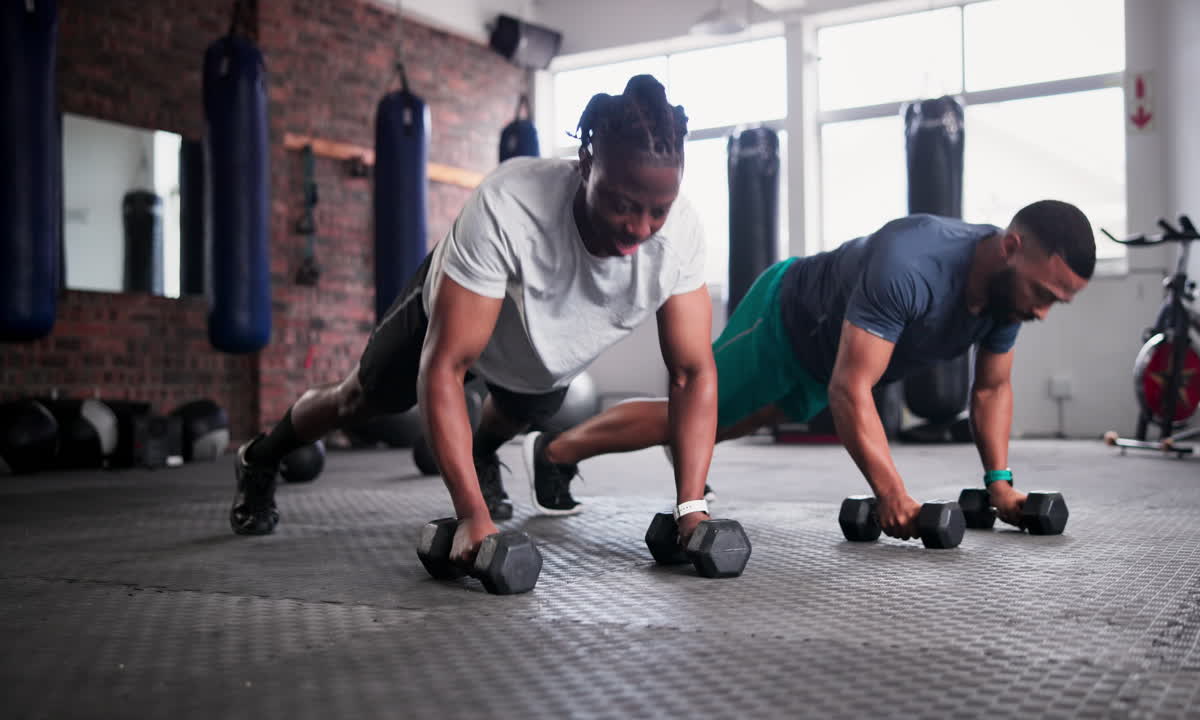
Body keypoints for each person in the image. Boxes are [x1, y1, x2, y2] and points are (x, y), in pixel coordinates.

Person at [230, 74, 719, 565]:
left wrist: (691, 510)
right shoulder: (510, 206)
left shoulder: (680, 239)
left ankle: (482, 452)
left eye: (658, 210)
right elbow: (444, 366)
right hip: (454, 311)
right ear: (586, 164)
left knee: (521, 410)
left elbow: (691, 373)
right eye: (623, 205)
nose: (639, 228)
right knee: (358, 399)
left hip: (543, 349)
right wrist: (471, 516)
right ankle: (261, 457)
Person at [524, 201, 1095, 541]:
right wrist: (892, 494)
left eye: (1056, 303)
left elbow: (992, 388)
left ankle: (644, 450)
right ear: (1011, 248)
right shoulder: (912, 263)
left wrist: (1001, 485)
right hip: (784, 319)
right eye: (1042, 294)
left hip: (823, 360)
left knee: (723, 427)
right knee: (697, 419)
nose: (1040, 312)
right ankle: (556, 452)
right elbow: (853, 389)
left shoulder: (1007, 296)